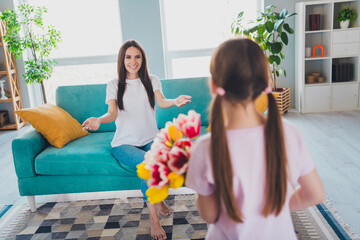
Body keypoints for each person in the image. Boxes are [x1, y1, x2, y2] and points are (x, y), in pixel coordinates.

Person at [185, 38, 325, 239]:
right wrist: (279, 208)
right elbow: (315, 194)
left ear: (213, 85)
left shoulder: (205, 147)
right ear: (265, 83)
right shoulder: (289, 133)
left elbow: (210, 214)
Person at [82, 39, 191, 240]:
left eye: (137, 56)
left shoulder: (152, 80)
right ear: (122, 60)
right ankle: (153, 219)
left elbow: (162, 101)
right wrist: (98, 120)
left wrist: (175, 101)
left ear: (143, 58)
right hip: (124, 143)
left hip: (151, 138)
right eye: (128, 57)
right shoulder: (114, 85)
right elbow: (112, 114)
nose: (133, 61)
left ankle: (157, 199)